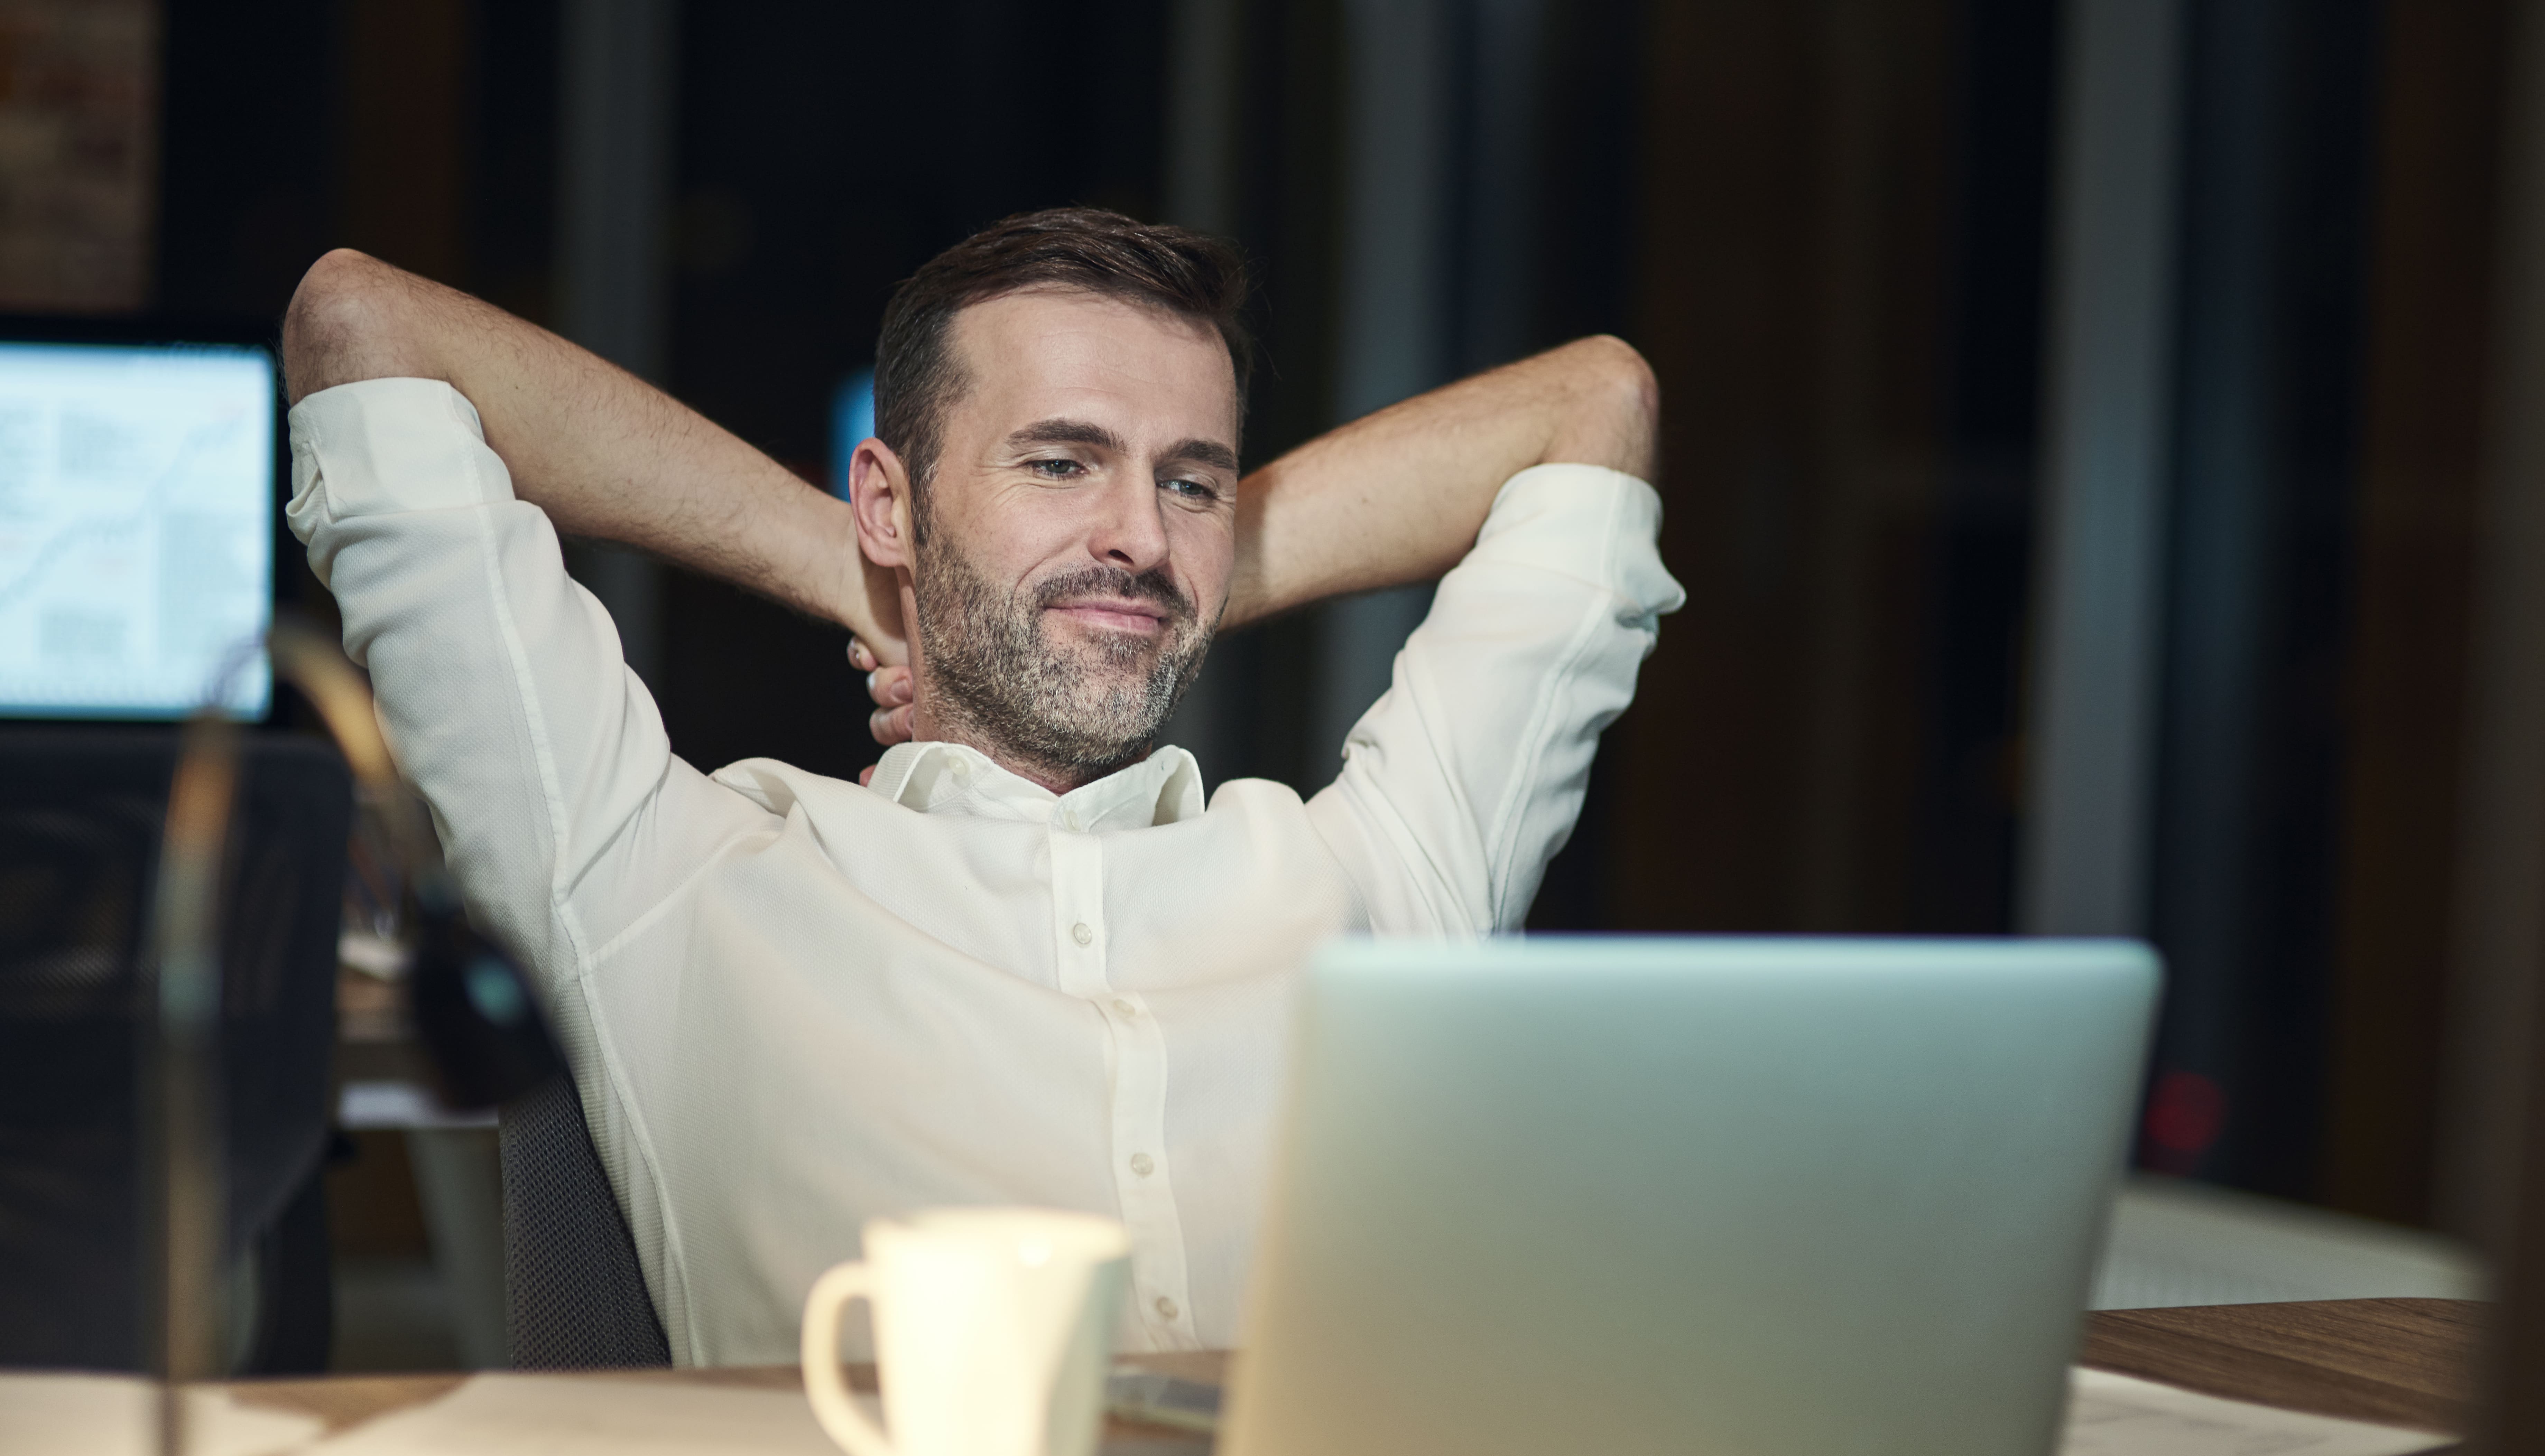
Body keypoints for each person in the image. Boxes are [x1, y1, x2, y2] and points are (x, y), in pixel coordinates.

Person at [281, 207, 1678, 1366]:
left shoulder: (1375, 877)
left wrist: (1140, 590)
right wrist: (859, 568)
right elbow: (364, 332)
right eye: (1062, 462)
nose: (1138, 528)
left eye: (1194, 484)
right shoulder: (660, 875)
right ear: (890, 499)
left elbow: (1593, 409)